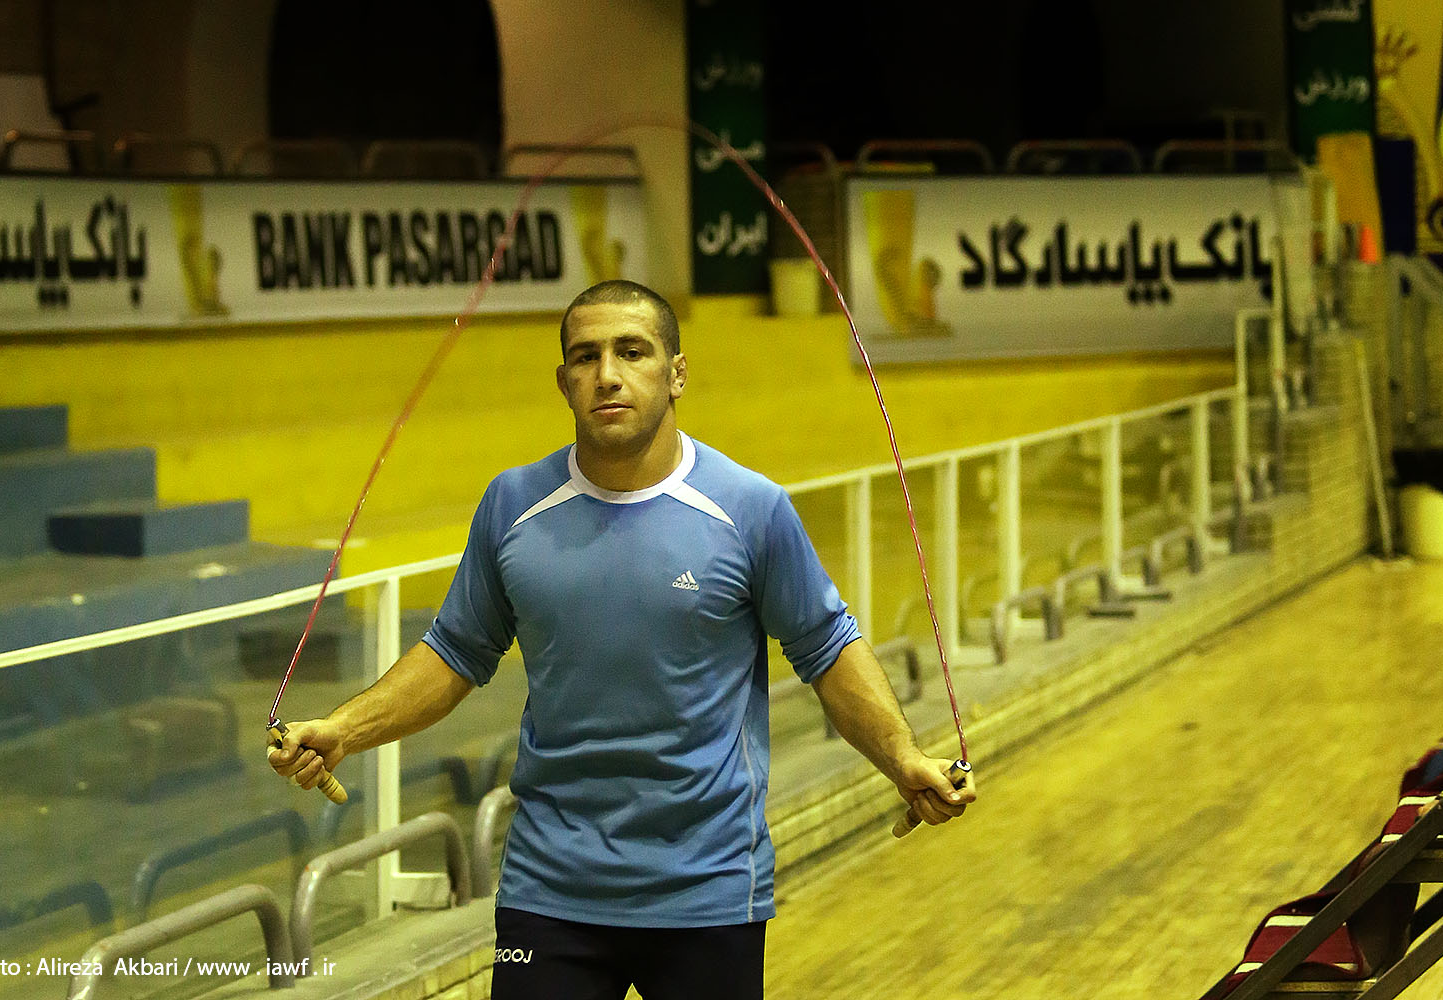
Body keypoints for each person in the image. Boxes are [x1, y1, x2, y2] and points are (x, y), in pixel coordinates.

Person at [268, 279, 978, 999]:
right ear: (564, 382)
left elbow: (827, 651)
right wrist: (345, 729)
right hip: (548, 891)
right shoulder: (513, 504)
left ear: (676, 374)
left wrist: (903, 759)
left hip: (708, 890)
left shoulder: (750, 508)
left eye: (632, 352)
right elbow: (455, 653)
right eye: (586, 357)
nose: (607, 374)